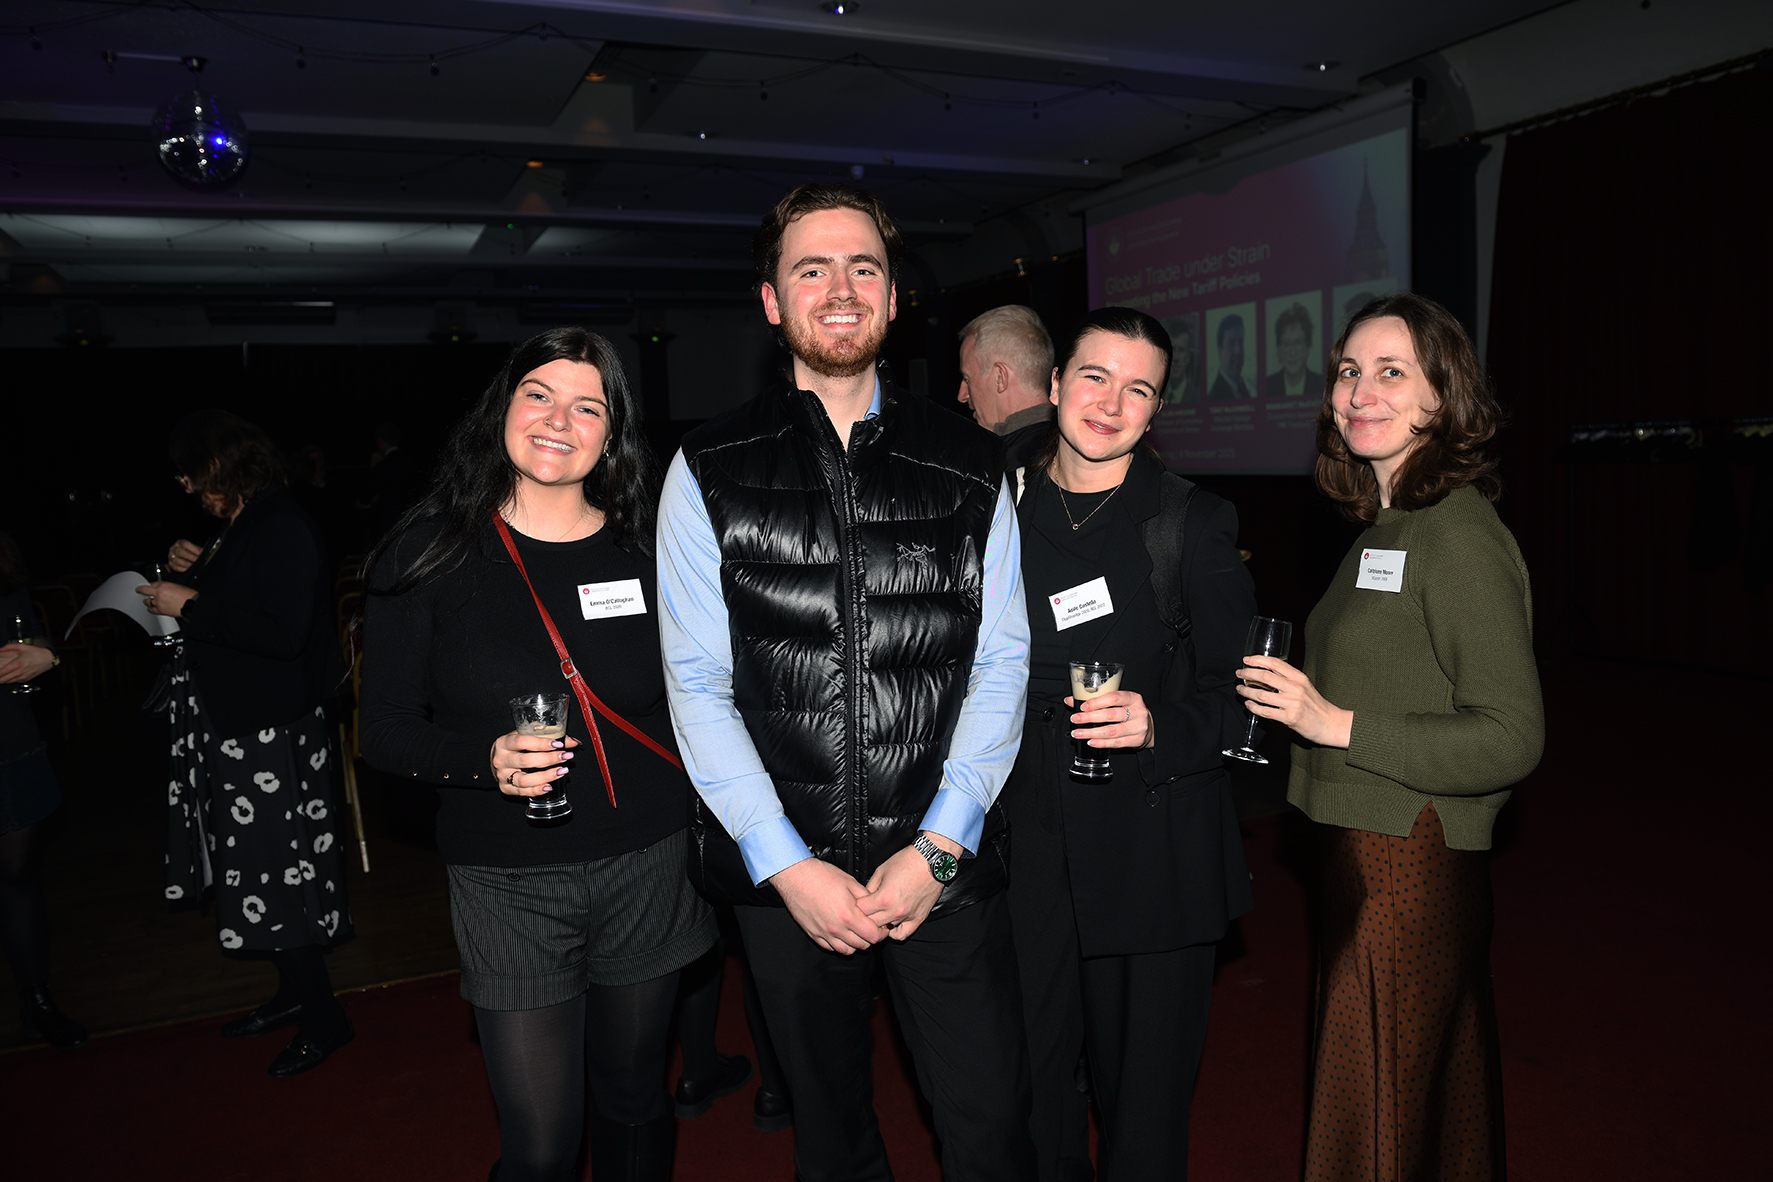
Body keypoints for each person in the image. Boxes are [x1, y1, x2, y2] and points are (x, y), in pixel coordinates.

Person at [657, 183, 1036, 1182]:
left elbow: (1003, 657)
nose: (839, 287)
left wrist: (941, 847)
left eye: (863, 266)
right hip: (788, 881)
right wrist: (784, 865)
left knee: (992, 1127)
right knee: (832, 1141)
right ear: (772, 302)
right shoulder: (706, 467)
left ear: (895, 296)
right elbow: (696, 682)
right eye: (810, 268)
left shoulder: (972, 461)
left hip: (942, 868)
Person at [359, 327, 715, 1182]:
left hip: (648, 864)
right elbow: (385, 731)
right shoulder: (428, 550)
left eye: (586, 405)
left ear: (611, 432)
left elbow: (703, 697)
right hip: (507, 879)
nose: (560, 420)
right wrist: (485, 761)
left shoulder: (653, 549)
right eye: (538, 395)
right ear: (502, 411)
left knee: (635, 1103)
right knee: (544, 1146)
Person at [1236, 292, 1543, 1182]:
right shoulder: (1389, 523)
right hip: (1369, 853)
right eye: (1347, 371)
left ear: (1442, 399)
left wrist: (1332, 724)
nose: (1359, 392)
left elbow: (1511, 736)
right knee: (1410, 1100)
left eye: (1391, 372)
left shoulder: (1456, 534)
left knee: (1378, 1100)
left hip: (1406, 860)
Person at [999, 307, 1257, 1181]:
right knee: (1027, 1095)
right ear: (1053, 385)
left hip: (1151, 859)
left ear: (1155, 411)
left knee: (1141, 1119)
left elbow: (1244, 705)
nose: (1110, 403)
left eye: (1137, 388)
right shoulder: (992, 500)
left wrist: (1159, 723)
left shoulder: (1187, 522)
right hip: (1020, 849)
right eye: (1095, 377)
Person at [140, 410, 355, 1078]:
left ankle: (325, 1018)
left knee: (275, 878)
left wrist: (190, 602)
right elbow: (247, 603)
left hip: (272, 735)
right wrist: (198, 567)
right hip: (244, 731)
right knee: (260, 874)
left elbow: (283, 633)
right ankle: (294, 995)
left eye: (188, 472)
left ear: (220, 466)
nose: (182, 486)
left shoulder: (279, 521)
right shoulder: (243, 525)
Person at [0, 532, 86, 1050]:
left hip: (11, 736)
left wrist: (44, 656)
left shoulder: (4, 550)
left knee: (18, 874)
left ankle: (37, 1002)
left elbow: (30, 633)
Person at [957, 304, 1056, 436]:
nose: (962, 396)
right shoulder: (1065, 444)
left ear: (1000, 377)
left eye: (967, 380)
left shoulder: (1012, 453)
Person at [1266, 302, 1323, 398]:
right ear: (1279, 348)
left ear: (1307, 346)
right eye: (1286, 344)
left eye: (1298, 343)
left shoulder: (1321, 384)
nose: (1292, 353)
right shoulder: (1267, 386)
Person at [1207, 313, 1253, 400]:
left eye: (1240, 342)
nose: (1238, 351)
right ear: (1220, 350)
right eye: (1231, 344)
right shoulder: (1215, 398)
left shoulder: (1242, 387)